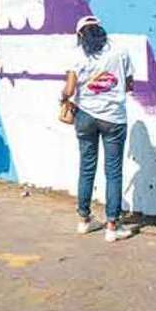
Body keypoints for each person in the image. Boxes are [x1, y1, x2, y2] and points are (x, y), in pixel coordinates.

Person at [59, 16, 135, 243]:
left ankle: (84, 220)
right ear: (101, 31)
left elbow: (69, 90)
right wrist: (110, 88)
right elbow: (129, 85)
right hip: (114, 118)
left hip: (85, 116)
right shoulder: (120, 51)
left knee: (86, 167)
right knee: (113, 172)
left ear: (80, 35)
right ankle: (112, 226)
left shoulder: (76, 55)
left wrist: (62, 98)